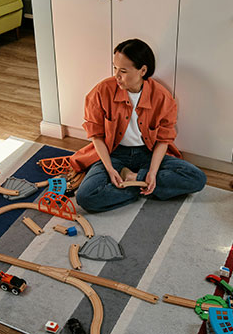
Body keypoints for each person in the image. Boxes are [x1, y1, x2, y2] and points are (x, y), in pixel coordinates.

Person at [70, 38, 206, 212]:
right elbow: (96, 136)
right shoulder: (102, 91)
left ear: (143, 70)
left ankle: (133, 179)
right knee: (85, 197)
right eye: (115, 68)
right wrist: (111, 169)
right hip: (114, 155)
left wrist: (151, 173)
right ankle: (144, 188)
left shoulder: (162, 98)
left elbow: (163, 141)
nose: (116, 76)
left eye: (124, 71)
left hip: (147, 154)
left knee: (197, 178)